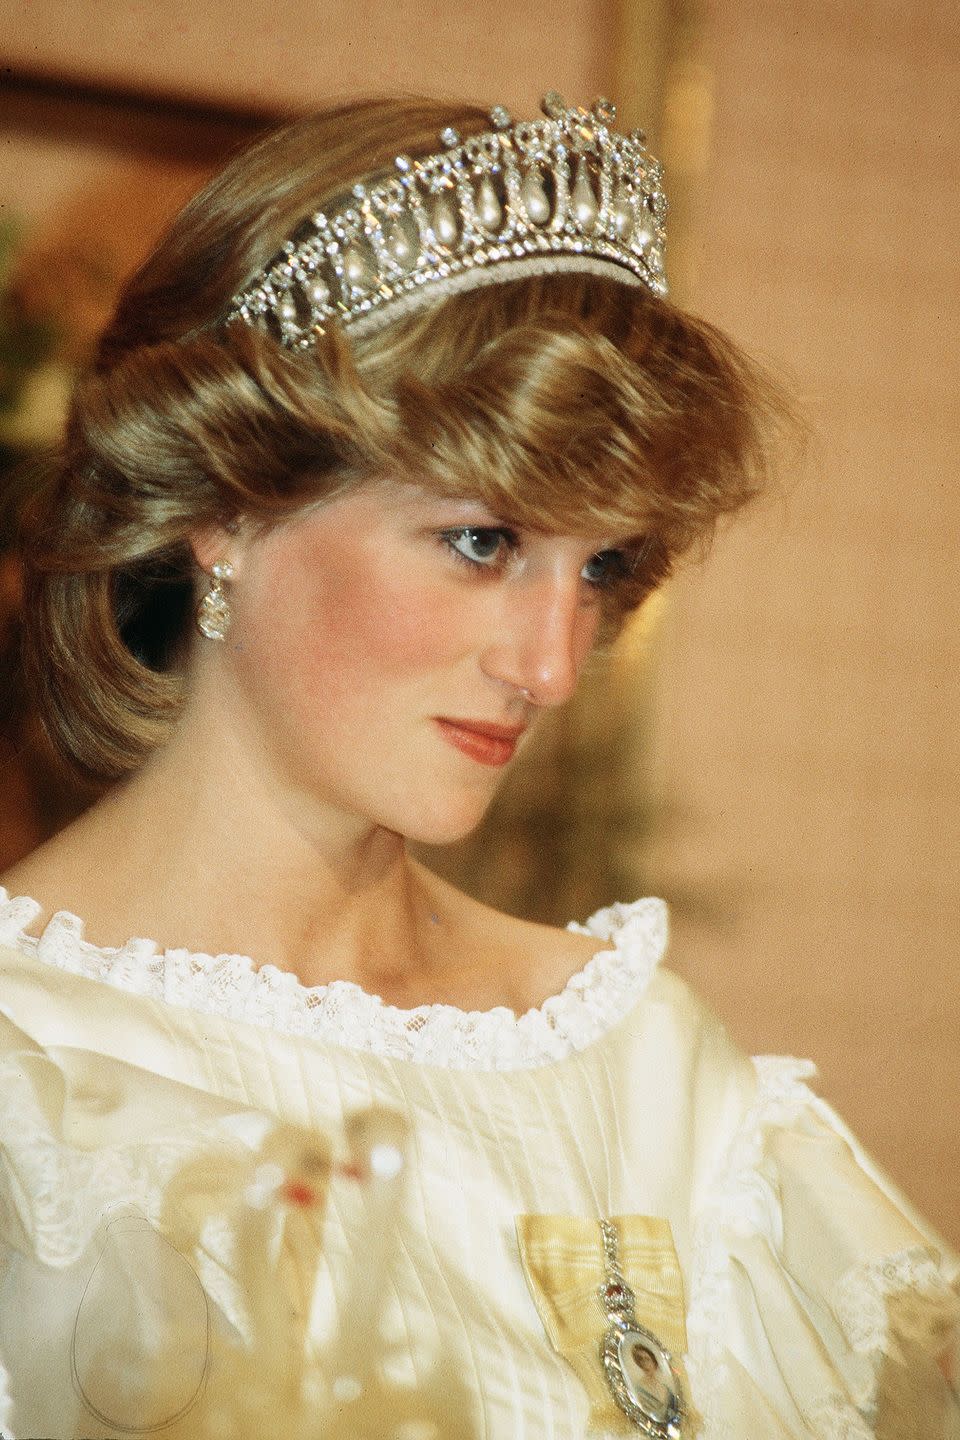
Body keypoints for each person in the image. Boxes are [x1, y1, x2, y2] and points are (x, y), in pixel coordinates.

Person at [0, 92, 956, 1440]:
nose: (555, 668)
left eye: (603, 568)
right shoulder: (30, 1082)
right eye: (484, 543)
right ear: (225, 507)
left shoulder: (648, 1072)